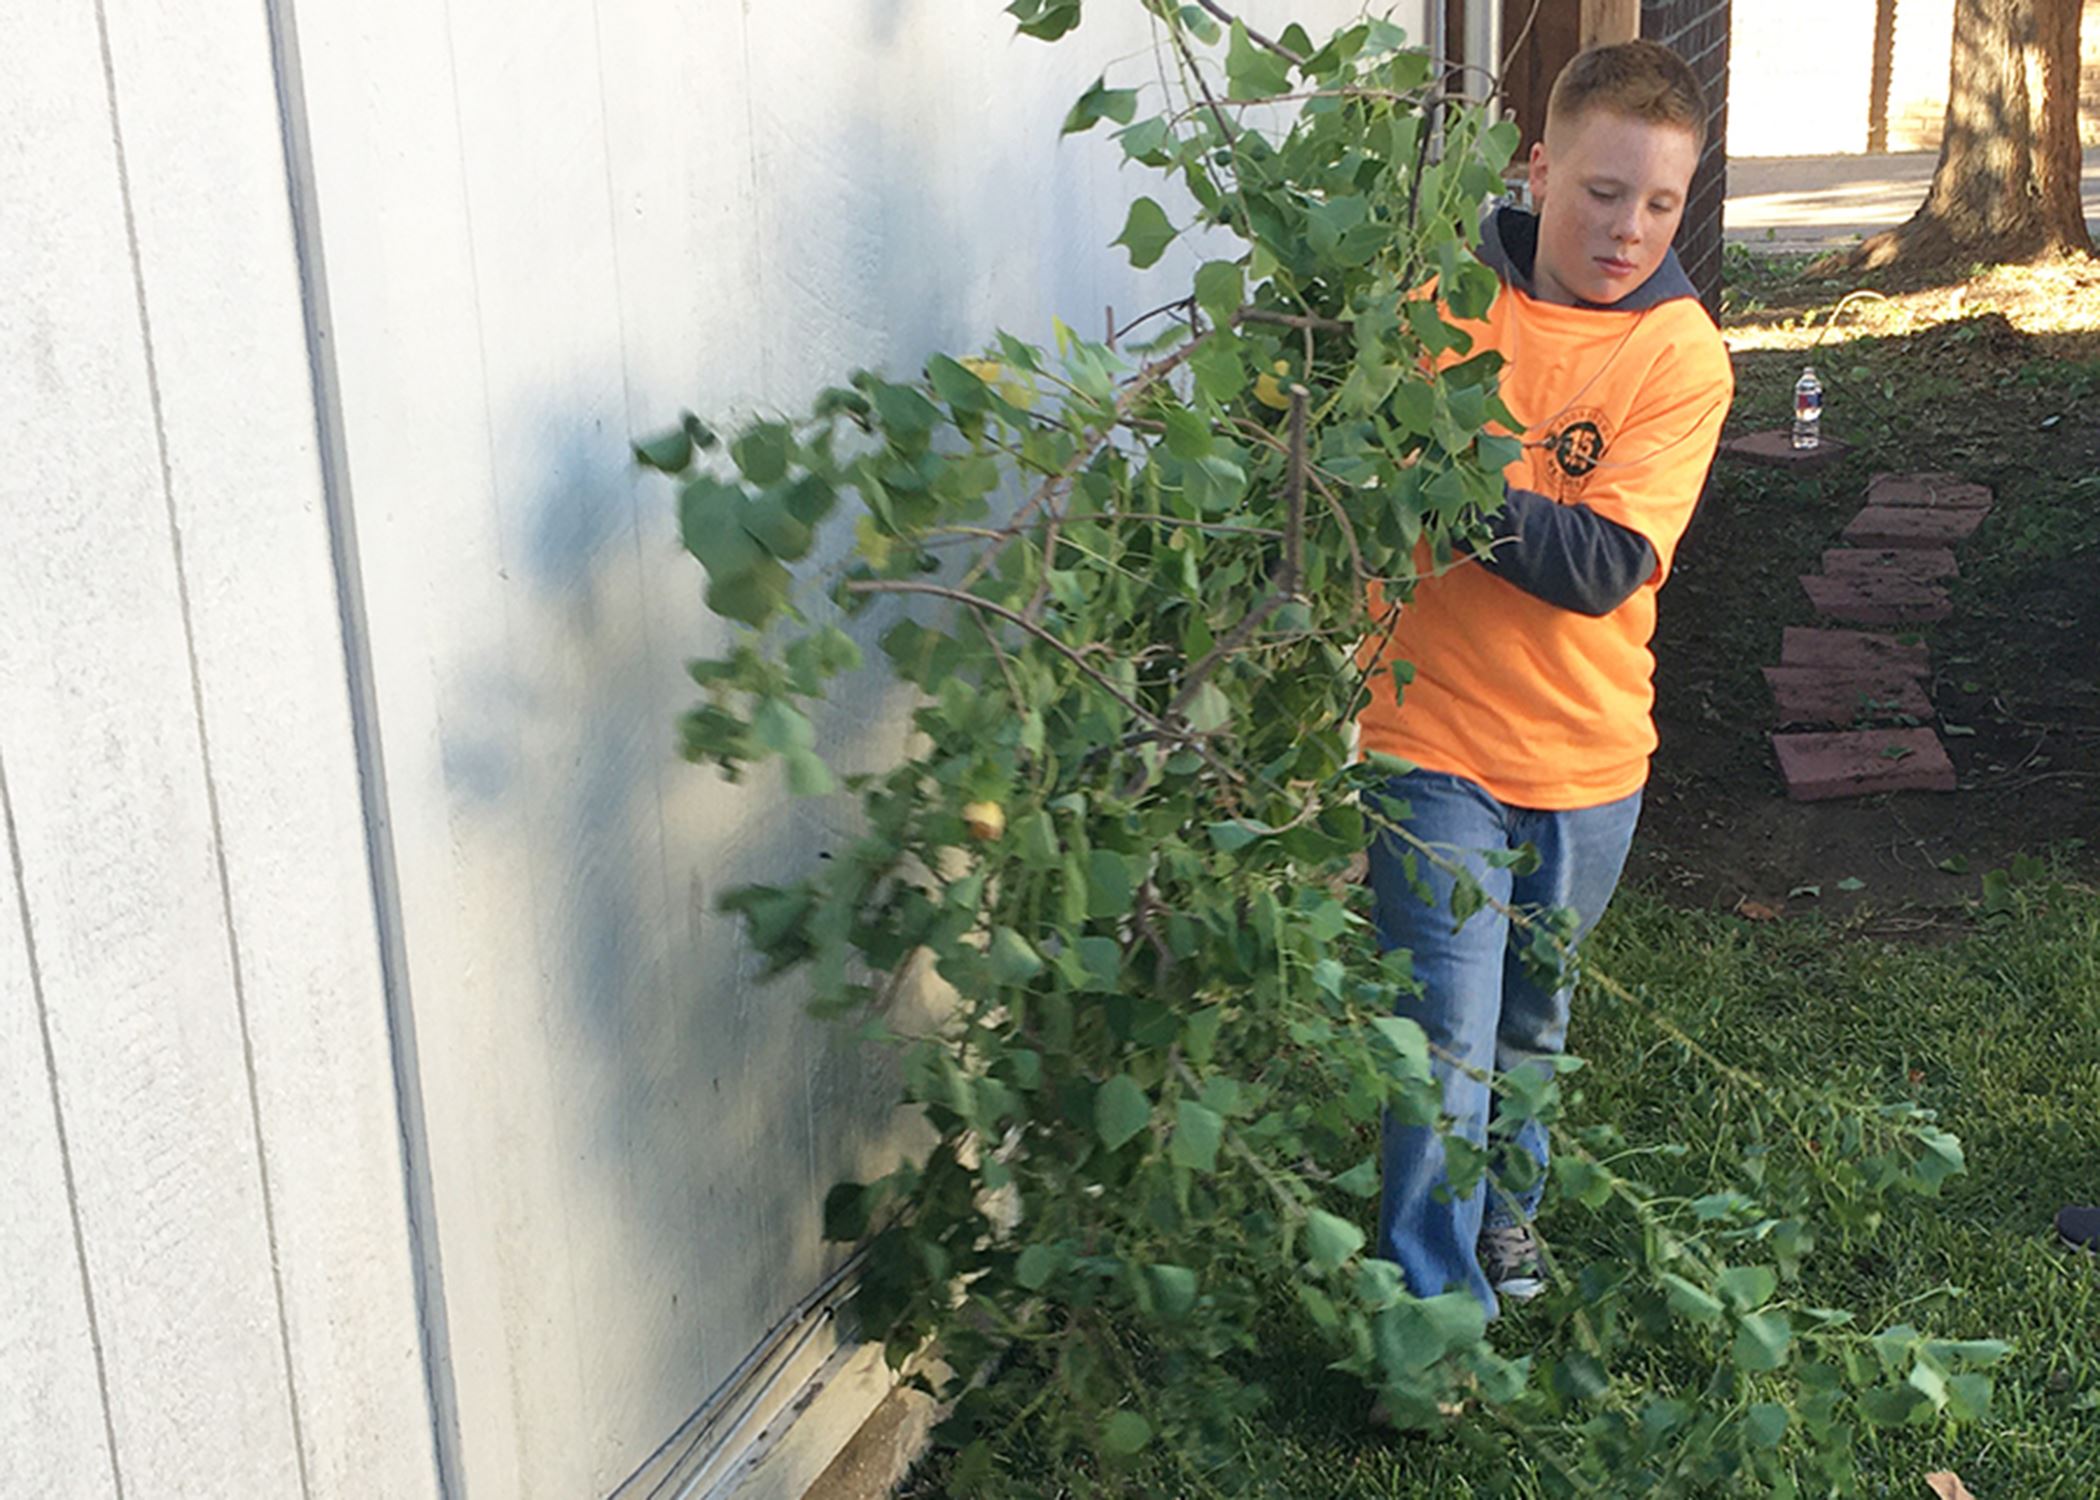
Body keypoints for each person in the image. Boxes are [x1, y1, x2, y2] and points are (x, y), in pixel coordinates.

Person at [1357, 40, 1735, 1316]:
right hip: (1428, 738)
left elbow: (1602, 562)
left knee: (1527, 1023)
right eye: (1602, 191)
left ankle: (1505, 1208)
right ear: (1537, 172)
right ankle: (1431, 1318)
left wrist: (1442, 474)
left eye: (1661, 203)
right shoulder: (1437, 304)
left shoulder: (1681, 358)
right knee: (1443, 1043)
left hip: (1588, 760)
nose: (1628, 229)